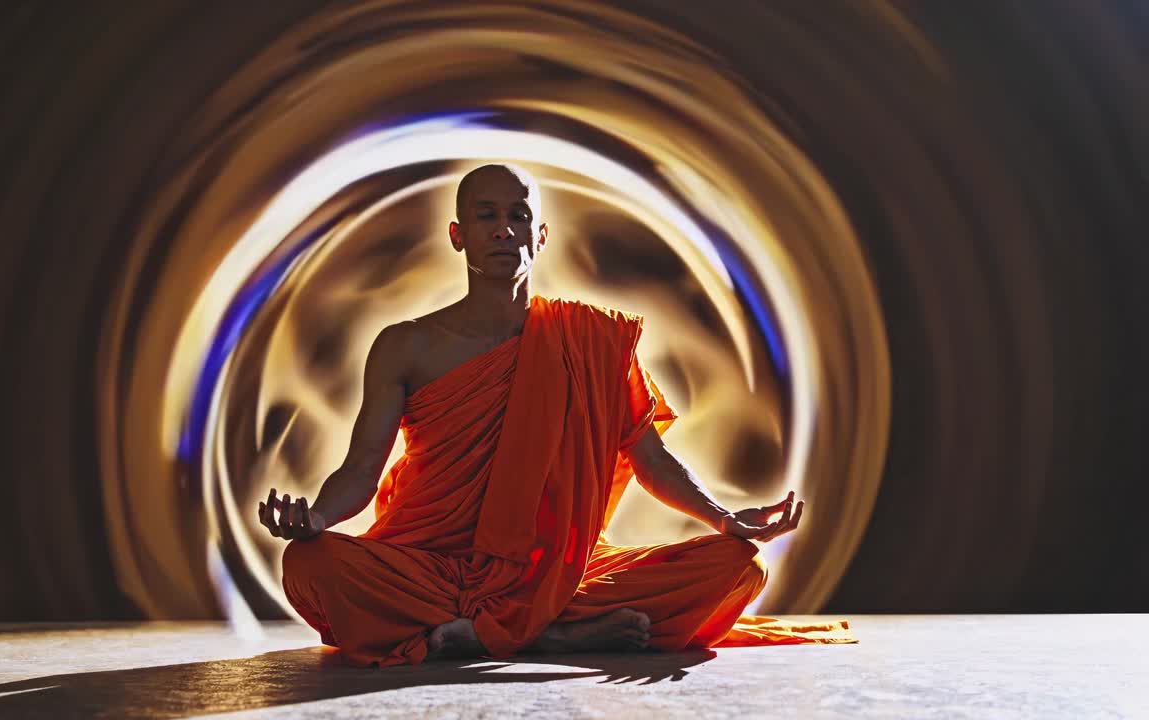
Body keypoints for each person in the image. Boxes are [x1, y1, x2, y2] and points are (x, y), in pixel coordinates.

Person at [256, 163, 854, 666]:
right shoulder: (404, 345)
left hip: (552, 575)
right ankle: (542, 636)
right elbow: (361, 472)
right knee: (310, 564)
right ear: (458, 234)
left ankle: (499, 632)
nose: (503, 230)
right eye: (486, 216)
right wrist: (315, 518)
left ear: (539, 236)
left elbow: (649, 459)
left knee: (736, 567)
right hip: (428, 565)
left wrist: (724, 519)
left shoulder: (589, 340)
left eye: (518, 215)